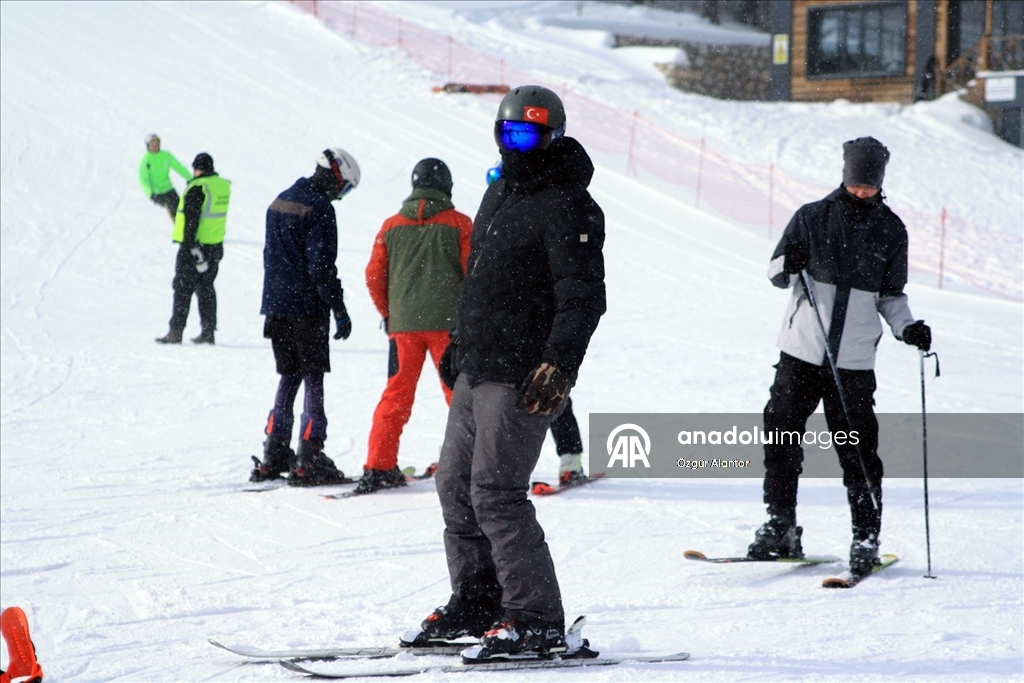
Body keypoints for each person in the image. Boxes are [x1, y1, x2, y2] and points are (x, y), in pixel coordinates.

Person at [411, 85, 606, 658]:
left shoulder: (570, 204)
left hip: (522, 372)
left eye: (530, 135)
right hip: (477, 363)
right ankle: (478, 601)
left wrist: (559, 363)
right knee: (454, 485)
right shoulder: (498, 194)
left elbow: (583, 297)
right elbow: (480, 280)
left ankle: (536, 617)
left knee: (496, 492)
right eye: (509, 133)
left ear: (553, 138)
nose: (517, 144)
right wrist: (459, 343)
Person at [748, 137, 932, 577]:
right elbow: (775, 272)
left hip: (852, 363)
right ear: (845, 176)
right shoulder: (812, 217)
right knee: (782, 436)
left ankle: (865, 535)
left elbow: (891, 296)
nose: (861, 191)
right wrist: (789, 261)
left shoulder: (891, 230)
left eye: (869, 185)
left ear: (879, 182)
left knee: (857, 450)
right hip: (801, 353)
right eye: (855, 183)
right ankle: (780, 525)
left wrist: (908, 327)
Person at [355, 158, 473, 495]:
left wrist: (391, 315)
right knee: (459, 396)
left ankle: (378, 465)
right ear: (446, 186)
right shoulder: (461, 224)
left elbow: (374, 275)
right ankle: (466, 464)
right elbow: (473, 275)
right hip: (448, 328)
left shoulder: (390, 226)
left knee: (396, 395)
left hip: (404, 327)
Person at [249, 148, 360, 486]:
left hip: (276, 306)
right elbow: (321, 267)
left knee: (288, 375)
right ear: (336, 176)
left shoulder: (279, 200)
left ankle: (275, 451)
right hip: (306, 308)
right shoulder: (320, 209)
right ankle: (309, 456)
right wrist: (338, 308)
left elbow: (273, 257)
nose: (340, 197)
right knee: (313, 377)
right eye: (345, 189)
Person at [484, 160, 587, 489]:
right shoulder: (493, 220)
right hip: (505, 330)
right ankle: (498, 464)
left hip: (536, 325)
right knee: (497, 398)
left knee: (550, 393)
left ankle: (570, 459)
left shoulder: (544, 212)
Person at [155, 153, 230, 345]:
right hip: (214, 246)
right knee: (206, 288)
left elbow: (191, 220)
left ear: (198, 169)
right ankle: (208, 332)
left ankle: (175, 331)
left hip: (194, 248)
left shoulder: (198, 188)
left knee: (182, 288)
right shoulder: (220, 186)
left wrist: (189, 246)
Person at [138, 134, 191, 221]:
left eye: (157, 144)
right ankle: (179, 229)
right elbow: (143, 179)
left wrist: (191, 179)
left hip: (168, 188)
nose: (155, 146)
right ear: (148, 146)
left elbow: (179, 167)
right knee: (172, 206)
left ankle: (185, 226)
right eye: (152, 144)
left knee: (180, 207)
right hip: (157, 192)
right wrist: (150, 194)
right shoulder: (145, 160)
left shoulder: (166, 156)